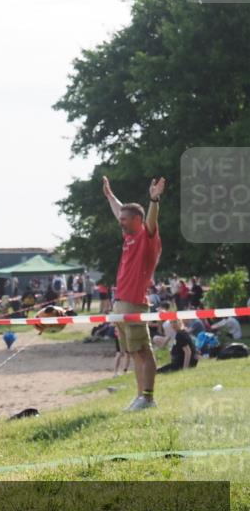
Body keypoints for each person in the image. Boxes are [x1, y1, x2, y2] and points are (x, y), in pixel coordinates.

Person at [102, 175, 166, 411]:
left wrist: (154, 200)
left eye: (125, 220)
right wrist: (110, 196)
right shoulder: (128, 236)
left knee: (142, 351)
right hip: (121, 303)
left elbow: (150, 220)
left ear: (137, 220)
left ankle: (148, 398)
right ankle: (141, 397)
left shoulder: (146, 236)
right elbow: (120, 210)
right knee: (134, 352)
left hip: (134, 303)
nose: (120, 222)